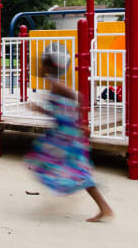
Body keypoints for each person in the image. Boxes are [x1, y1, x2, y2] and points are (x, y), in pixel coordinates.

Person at [25, 52, 114, 223]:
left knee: (74, 169)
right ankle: (102, 207)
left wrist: (79, 122)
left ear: (48, 67)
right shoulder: (52, 84)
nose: (39, 67)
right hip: (61, 133)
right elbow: (57, 111)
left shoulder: (56, 84)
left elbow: (78, 97)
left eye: (42, 64)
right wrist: (38, 109)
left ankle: (102, 207)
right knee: (45, 160)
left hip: (67, 135)